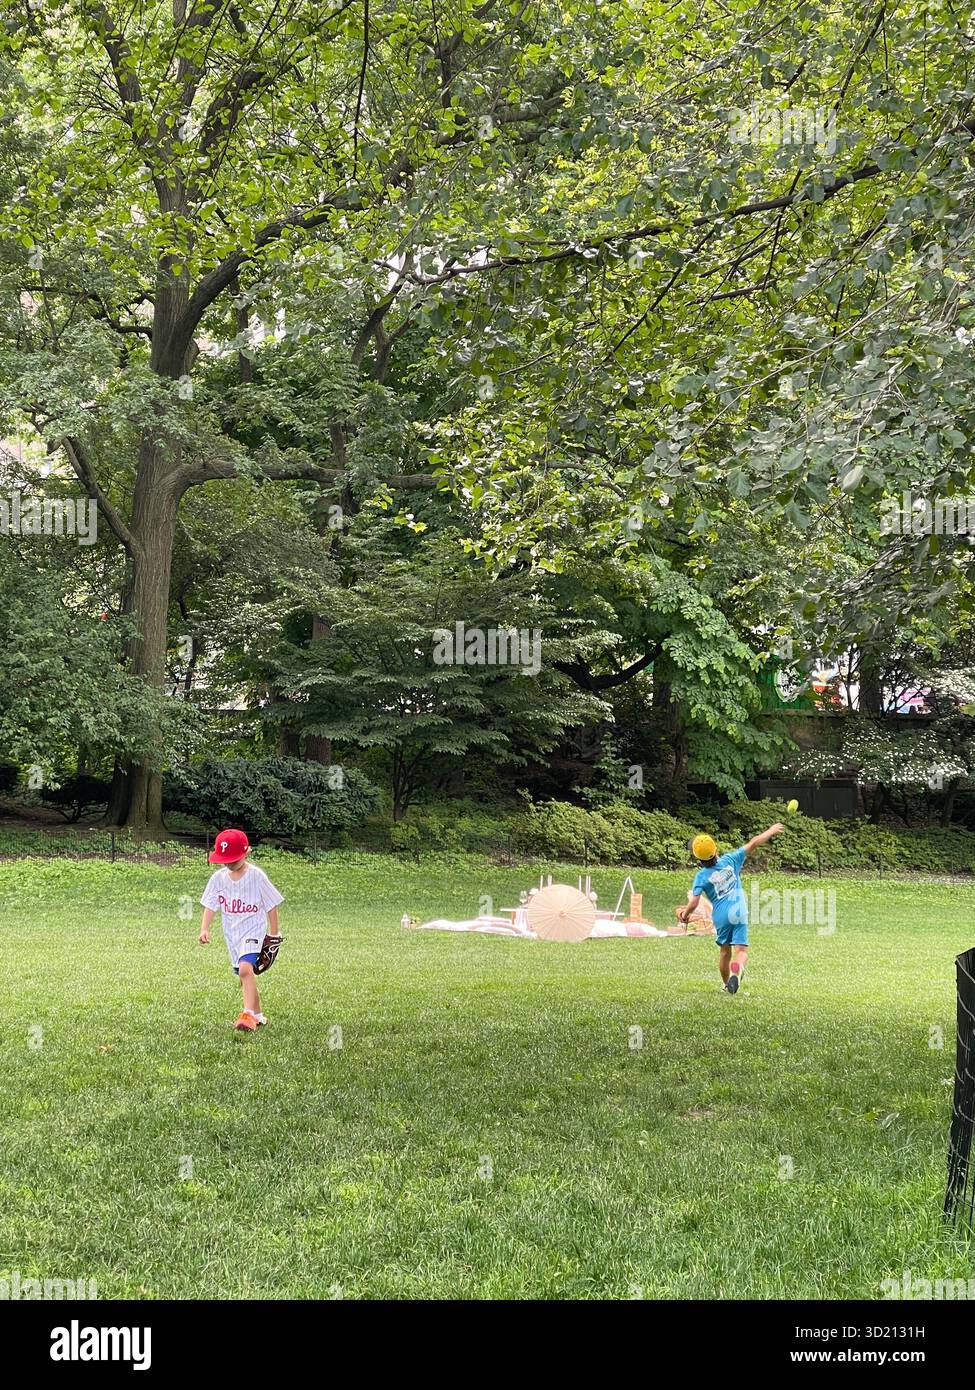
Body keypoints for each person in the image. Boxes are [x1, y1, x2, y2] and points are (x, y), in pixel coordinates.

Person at [677, 824, 784, 994]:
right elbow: (754, 843)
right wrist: (770, 831)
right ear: (715, 849)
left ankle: (728, 984)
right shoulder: (731, 859)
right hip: (739, 910)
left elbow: (695, 901)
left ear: (698, 859)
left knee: (725, 951)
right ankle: (737, 971)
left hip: (721, 916)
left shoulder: (701, 876)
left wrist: (685, 914)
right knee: (741, 951)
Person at [198, 828, 284, 1031]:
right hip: (232, 934)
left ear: (247, 852)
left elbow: (271, 904)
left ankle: (247, 1015)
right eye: (225, 860)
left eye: (234, 859)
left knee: (246, 970)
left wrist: (274, 933)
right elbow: (211, 905)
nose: (229, 864)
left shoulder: (257, 876)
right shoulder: (218, 879)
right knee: (244, 975)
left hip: (253, 930)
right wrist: (204, 929)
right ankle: (259, 1015)